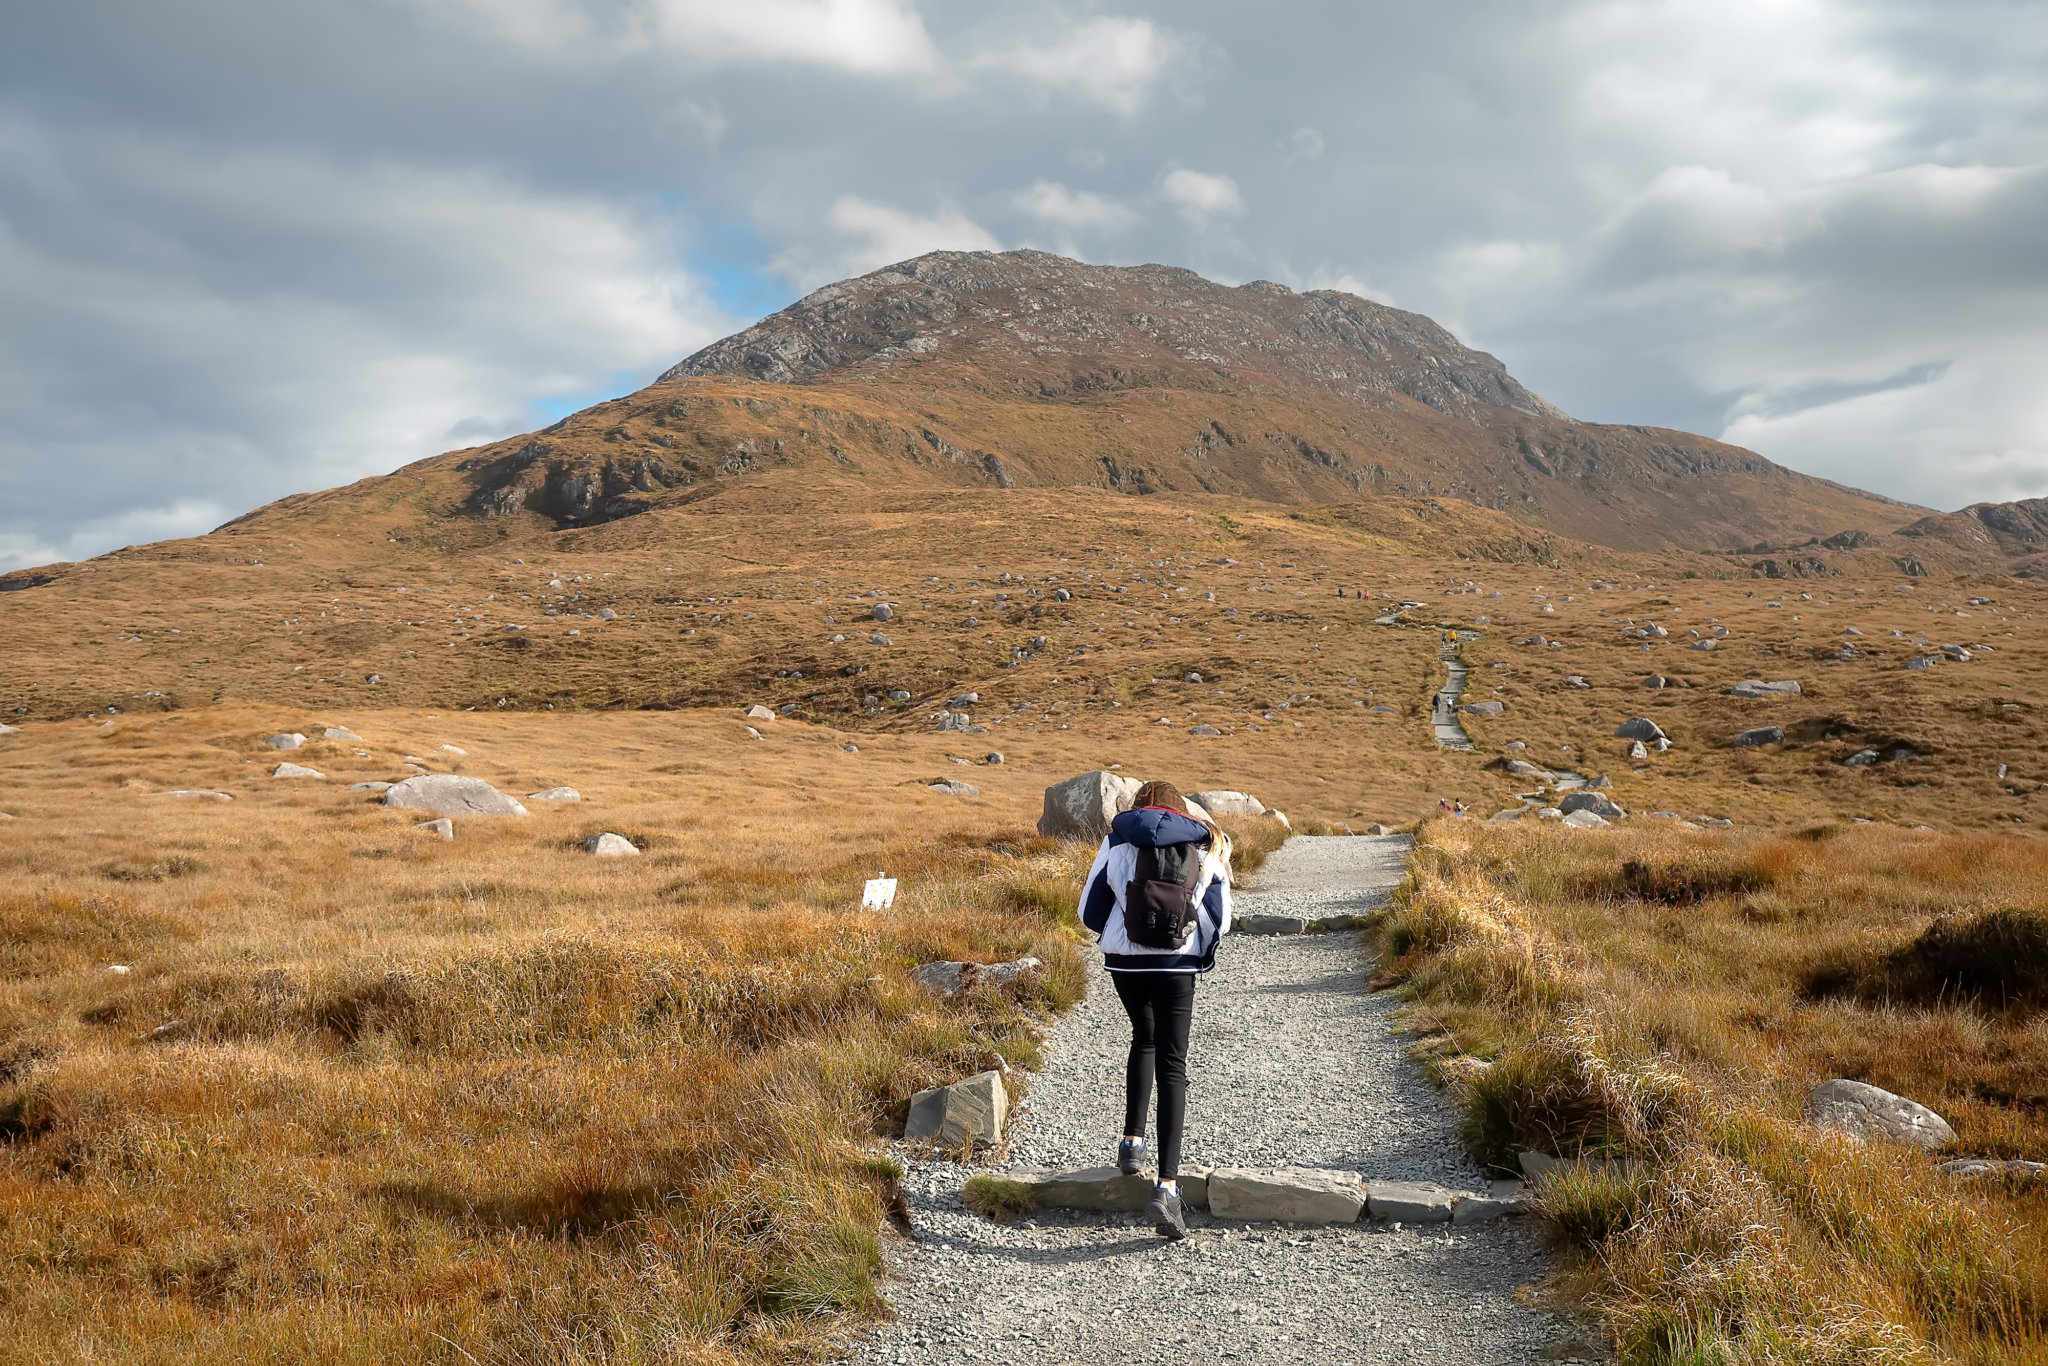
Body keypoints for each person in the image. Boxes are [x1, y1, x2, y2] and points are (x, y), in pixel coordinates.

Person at [1078, 780, 1233, 1241]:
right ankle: (1166, 1188)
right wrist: (1190, 942)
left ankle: (1131, 1144)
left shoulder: (1115, 841)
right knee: (1173, 1063)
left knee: (1141, 1039)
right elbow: (1219, 918)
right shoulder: (1203, 843)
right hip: (1175, 965)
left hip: (1125, 966)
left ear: (1137, 807)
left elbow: (1090, 911)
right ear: (1178, 809)